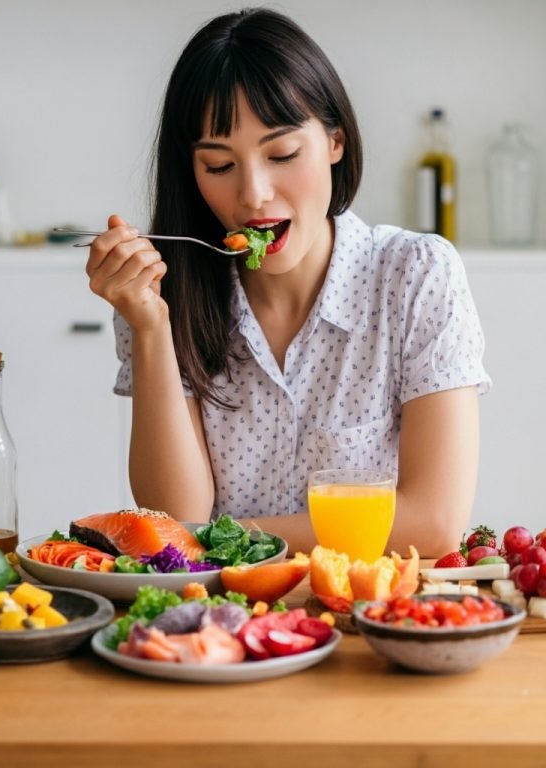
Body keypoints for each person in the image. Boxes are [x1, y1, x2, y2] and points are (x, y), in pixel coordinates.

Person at [84, 7, 490, 557]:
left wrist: (222, 538)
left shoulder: (415, 275)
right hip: (216, 612)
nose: (253, 194)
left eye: (282, 154)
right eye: (219, 166)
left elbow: (433, 523)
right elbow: (176, 517)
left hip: (365, 606)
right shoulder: (161, 291)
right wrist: (152, 327)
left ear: (335, 142)